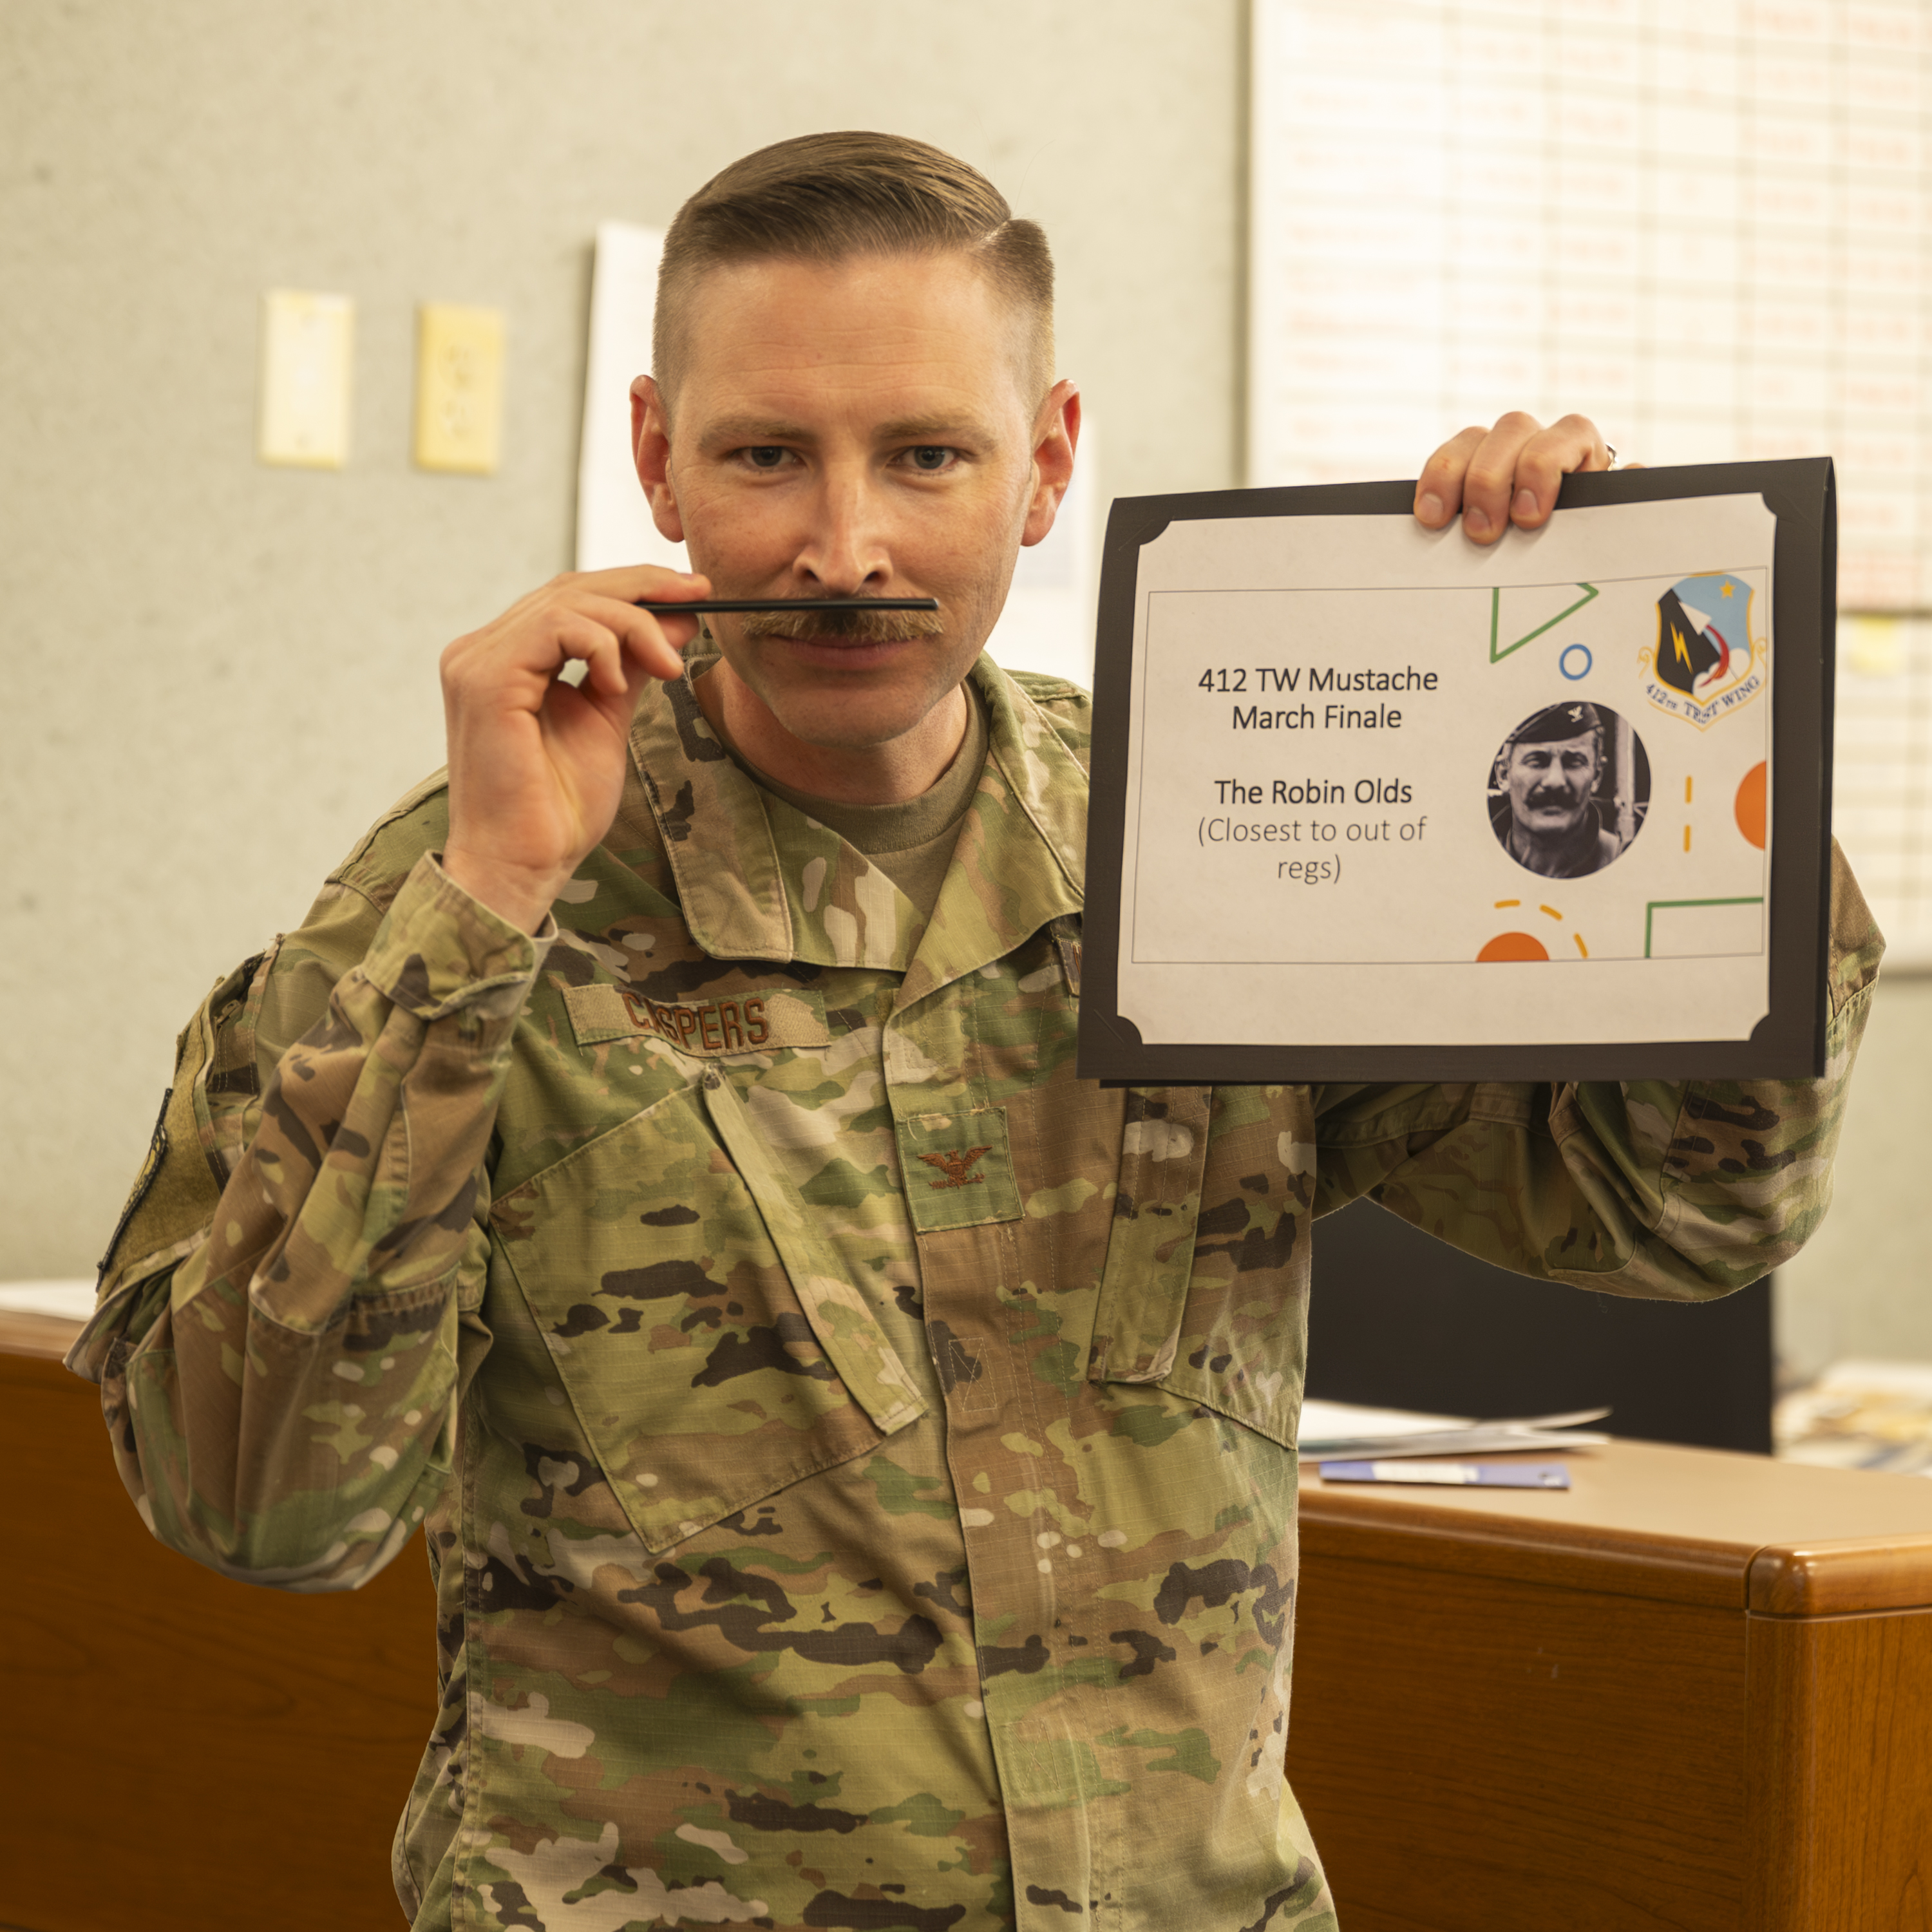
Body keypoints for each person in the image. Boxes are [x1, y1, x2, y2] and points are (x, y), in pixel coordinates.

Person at [70, 133, 1880, 1932]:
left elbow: (1684, 1213)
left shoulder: (1214, 836)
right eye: (766, 455)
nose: (845, 549)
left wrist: (1675, 713)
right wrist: (484, 909)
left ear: (1047, 465)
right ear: (657, 459)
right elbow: (260, 1509)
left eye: (926, 455)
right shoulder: (471, 890)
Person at [1488, 700, 1631, 878]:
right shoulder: (1477, 861)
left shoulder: (1628, 867)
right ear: (1503, 775)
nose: (1555, 781)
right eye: (1537, 762)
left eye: (1574, 763)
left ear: (1597, 776)